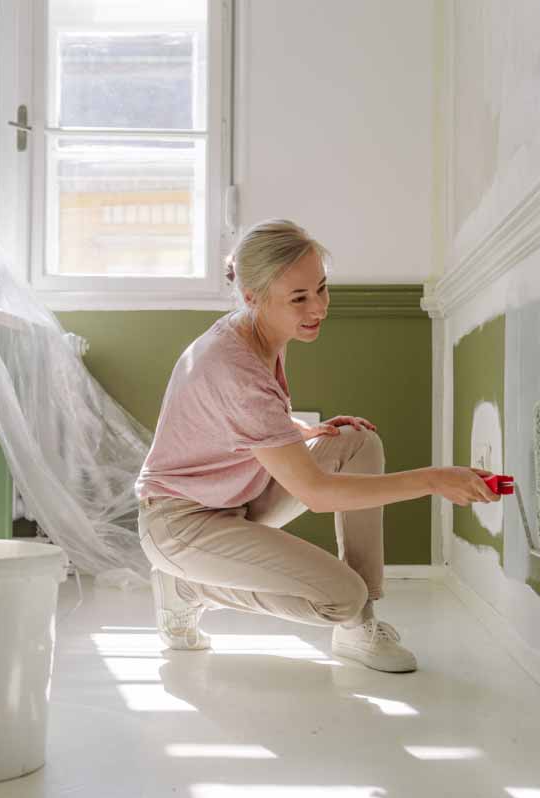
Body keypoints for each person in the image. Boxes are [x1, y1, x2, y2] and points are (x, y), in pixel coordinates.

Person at [135, 219, 499, 672]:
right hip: (180, 524)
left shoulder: (259, 329)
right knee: (340, 596)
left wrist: (298, 430)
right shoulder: (234, 364)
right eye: (300, 299)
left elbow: (226, 419)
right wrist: (434, 479)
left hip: (233, 498)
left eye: (322, 289)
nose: (319, 308)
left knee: (356, 441)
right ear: (253, 297)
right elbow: (317, 494)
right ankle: (185, 588)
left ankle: (358, 626)